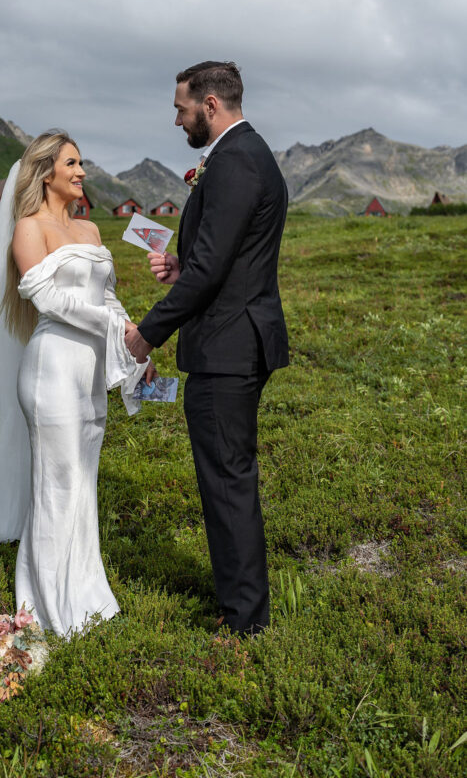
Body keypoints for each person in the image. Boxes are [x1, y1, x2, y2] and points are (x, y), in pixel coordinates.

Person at [0, 130, 152, 638]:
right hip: (50, 368)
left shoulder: (91, 231)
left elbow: (107, 299)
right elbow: (47, 299)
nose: (82, 172)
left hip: (89, 371)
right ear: (46, 171)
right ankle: (49, 606)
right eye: (72, 163)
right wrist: (117, 329)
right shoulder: (28, 228)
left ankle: (89, 595)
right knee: (56, 483)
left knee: (83, 481)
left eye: (82, 163)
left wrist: (138, 343)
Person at [125, 62, 289, 637]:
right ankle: (240, 604)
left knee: (227, 480)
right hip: (232, 337)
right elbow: (221, 259)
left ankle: (245, 620)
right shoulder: (239, 157)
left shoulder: (237, 162)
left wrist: (147, 333)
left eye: (181, 109)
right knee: (227, 476)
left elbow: (216, 266)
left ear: (211, 104)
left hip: (229, 346)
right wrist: (179, 266)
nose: (177, 120)